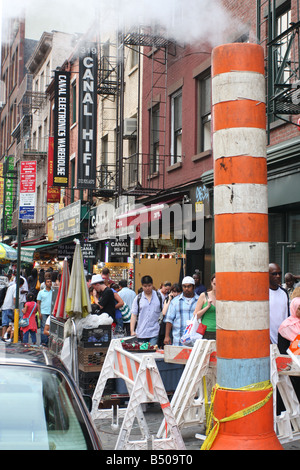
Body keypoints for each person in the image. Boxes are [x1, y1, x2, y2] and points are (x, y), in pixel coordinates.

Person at [164, 276, 199, 346]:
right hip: (178, 340)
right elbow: (169, 320)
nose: (186, 289)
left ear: (193, 287)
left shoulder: (199, 301)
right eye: (184, 286)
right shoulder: (175, 302)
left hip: (195, 340)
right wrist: (167, 336)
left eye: (189, 286)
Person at [130, 275, 162, 347]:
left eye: (149, 286)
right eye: (145, 286)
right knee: (142, 354)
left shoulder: (159, 296)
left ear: (152, 285)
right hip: (141, 332)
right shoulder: (138, 298)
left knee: (152, 353)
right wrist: (132, 331)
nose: (147, 288)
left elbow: (163, 311)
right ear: (142, 286)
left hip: (154, 332)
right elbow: (134, 315)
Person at [269, 263, 289, 345]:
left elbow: (287, 315)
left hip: (284, 339)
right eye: (274, 274)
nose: (278, 276)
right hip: (269, 340)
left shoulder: (284, 293)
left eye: (279, 273)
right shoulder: (263, 294)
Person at [158, 283, 182, 348]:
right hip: (167, 325)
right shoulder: (168, 299)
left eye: (178, 292)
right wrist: (169, 300)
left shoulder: (182, 301)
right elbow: (164, 312)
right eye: (174, 291)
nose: (176, 294)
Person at [193, 274, 216, 340]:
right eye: (214, 284)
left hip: (220, 330)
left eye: (218, 284)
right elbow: (196, 315)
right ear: (211, 283)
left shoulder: (223, 297)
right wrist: (207, 307)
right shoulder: (204, 295)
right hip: (206, 330)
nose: (216, 287)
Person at [37, 277, 54, 346]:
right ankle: (44, 342)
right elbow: (38, 303)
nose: (49, 283)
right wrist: (39, 313)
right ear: (45, 283)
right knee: (43, 328)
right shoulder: (41, 292)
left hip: (51, 313)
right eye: (48, 282)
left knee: (51, 328)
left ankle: (49, 342)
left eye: (50, 281)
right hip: (44, 312)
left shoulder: (53, 291)